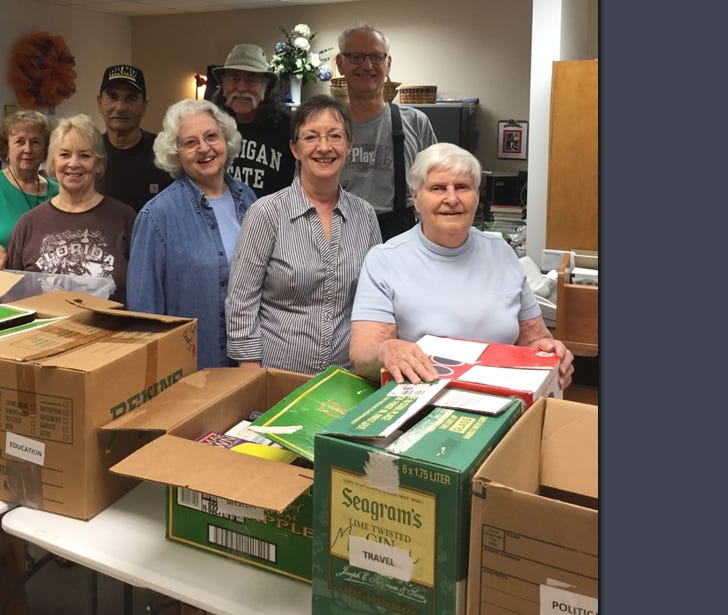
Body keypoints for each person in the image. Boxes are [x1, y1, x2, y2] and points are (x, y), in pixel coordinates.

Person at [349, 142, 574, 388]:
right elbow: (363, 356)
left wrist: (551, 353)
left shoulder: (502, 253)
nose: (452, 198)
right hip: (422, 400)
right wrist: (385, 350)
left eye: (462, 187)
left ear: (477, 195)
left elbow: (534, 340)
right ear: (415, 197)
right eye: (437, 188)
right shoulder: (385, 260)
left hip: (503, 395)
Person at [225, 95, 381, 375]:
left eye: (335, 136)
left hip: (345, 378)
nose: (324, 147)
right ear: (295, 149)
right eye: (311, 137)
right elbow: (241, 301)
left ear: (349, 146)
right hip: (277, 378)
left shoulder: (365, 216)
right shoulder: (266, 213)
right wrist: (251, 378)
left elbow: (375, 300)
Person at [127, 99, 256, 369]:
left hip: (249, 363)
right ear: (175, 153)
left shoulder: (249, 199)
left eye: (211, 136)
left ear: (226, 140)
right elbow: (144, 316)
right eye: (190, 142)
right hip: (192, 372)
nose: (205, 148)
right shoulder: (156, 217)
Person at [5, 114, 136, 304]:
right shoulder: (28, 224)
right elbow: (13, 298)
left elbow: (143, 292)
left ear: (98, 164)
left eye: (84, 155)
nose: (73, 164)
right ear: (52, 162)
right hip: (44, 333)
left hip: (110, 332)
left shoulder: (125, 219)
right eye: (64, 154)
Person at [335, 23, 438, 241]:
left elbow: (436, 186)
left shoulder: (415, 122)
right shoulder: (325, 125)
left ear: (388, 64)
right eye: (356, 57)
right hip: (338, 235)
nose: (368, 65)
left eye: (376, 57)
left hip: (401, 233)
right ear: (340, 63)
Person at [0, 110, 59, 270]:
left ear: (45, 149)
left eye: (35, 142)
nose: (28, 149)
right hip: (5, 284)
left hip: (51, 282)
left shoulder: (58, 190)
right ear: (6, 149)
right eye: (20, 142)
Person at [211, 43, 297, 198]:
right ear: (223, 84)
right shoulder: (210, 126)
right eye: (234, 79)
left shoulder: (289, 128)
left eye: (251, 80)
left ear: (266, 86)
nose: (242, 88)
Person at [96, 64, 173, 212]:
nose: (120, 107)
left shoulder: (166, 154)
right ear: (99, 103)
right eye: (113, 97)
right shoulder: (89, 153)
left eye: (130, 98)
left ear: (144, 106)